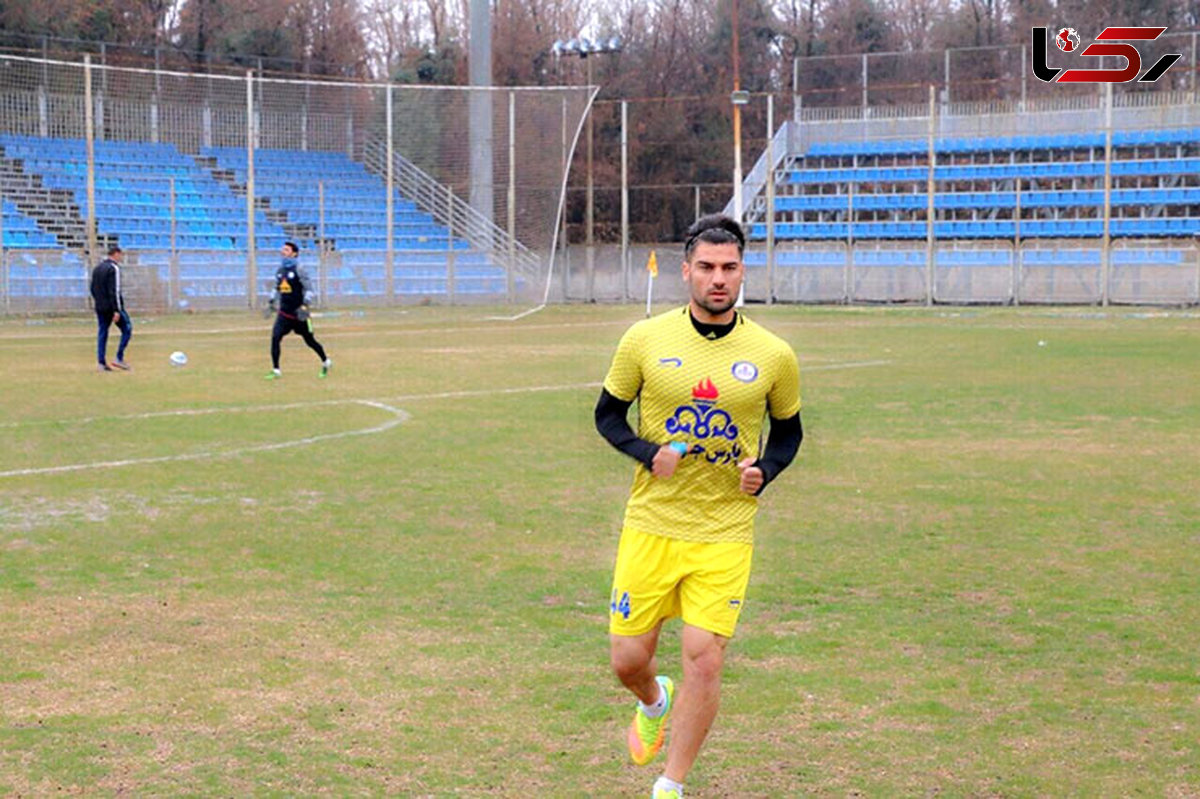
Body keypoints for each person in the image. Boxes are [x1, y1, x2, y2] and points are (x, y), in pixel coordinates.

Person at [594, 214, 803, 799]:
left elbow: (787, 433)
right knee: (627, 660)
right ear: (686, 271)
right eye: (707, 267)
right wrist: (645, 451)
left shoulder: (772, 354)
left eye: (729, 268)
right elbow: (607, 415)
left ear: (742, 273)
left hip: (725, 530)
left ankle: (670, 786)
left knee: (704, 659)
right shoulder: (645, 339)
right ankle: (653, 700)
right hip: (653, 523)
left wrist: (768, 470)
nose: (718, 279)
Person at [265, 241, 331, 380]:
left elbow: (309, 289)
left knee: (309, 341)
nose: (283, 252)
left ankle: (325, 361)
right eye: (283, 249)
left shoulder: (300, 270)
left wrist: (305, 305)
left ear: (294, 253)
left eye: (286, 250)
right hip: (284, 313)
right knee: (275, 338)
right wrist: (272, 301)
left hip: (299, 313)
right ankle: (276, 370)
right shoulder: (280, 270)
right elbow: (277, 287)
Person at [89, 244, 132, 372]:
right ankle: (119, 357)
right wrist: (117, 310)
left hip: (100, 306)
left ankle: (101, 362)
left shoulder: (97, 268)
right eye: (120, 255)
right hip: (112, 307)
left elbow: (93, 288)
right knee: (127, 329)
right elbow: (115, 290)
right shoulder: (114, 268)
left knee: (103, 332)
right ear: (116, 254)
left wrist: (98, 302)